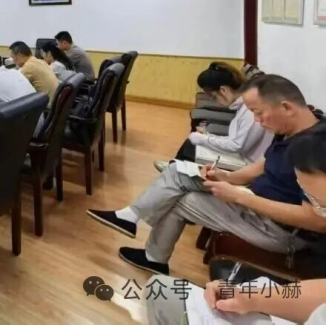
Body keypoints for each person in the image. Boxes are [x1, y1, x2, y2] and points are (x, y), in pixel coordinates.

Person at [86, 75, 325, 275]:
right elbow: (260, 167)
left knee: (178, 199)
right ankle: (132, 221)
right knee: (176, 172)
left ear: (286, 107)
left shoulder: (312, 148)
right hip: (256, 204)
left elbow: (317, 220)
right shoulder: (291, 130)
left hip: (279, 231)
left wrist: (239, 196)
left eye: (258, 112)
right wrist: (226, 177)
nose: (257, 120)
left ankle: (152, 256)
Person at [146, 122, 326, 325]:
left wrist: (240, 197)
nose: (259, 121)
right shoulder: (298, 141)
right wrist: (250, 297)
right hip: (257, 211)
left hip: (274, 227)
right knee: (159, 290)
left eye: (320, 205)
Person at [154, 62, 273, 171]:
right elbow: (236, 140)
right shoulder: (242, 106)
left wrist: (205, 139)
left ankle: (175, 171)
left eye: (214, 97)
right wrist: (208, 136)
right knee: (193, 141)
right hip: (242, 155)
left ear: (223, 90)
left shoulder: (250, 110)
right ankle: (174, 167)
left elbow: (236, 146)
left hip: (248, 164)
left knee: (194, 145)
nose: (216, 101)